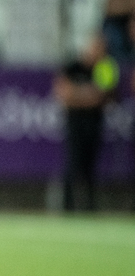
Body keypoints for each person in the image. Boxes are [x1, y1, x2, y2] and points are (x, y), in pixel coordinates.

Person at [53, 34, 116, 212]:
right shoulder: (73, 67)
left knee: (90, 166)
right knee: (74, 163)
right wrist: (90, 95)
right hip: (75, 123)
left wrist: (78, 94)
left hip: (94, 123)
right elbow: (64, 94)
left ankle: (89, 206)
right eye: (96, 47)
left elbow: (104, 96)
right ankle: (67, 206)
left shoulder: (105, 68)